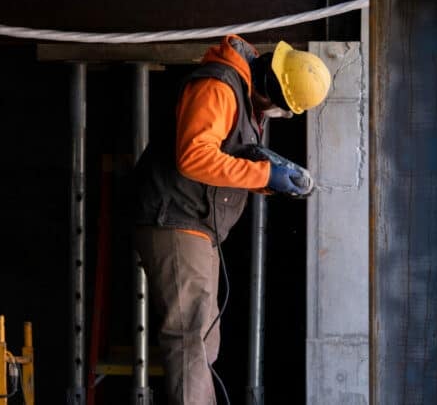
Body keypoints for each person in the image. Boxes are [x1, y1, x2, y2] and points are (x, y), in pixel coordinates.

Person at [134, 34, 331, 405]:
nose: (279, 114)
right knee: (190, 333)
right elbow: (194, 158)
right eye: (283, 108)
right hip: (174, 217)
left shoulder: (242, 93)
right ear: (272, 90)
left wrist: (270, 178)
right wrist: (262, 174)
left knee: (204, 339)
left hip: (196, 224)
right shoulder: (218, 87)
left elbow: (225, 159)